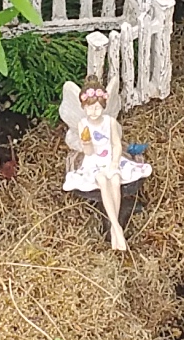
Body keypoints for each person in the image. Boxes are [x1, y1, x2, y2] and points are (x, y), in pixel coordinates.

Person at [59, 80, 150, 252]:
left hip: (110, 157)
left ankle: (115, 229)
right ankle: (117, 228)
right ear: (84, 108)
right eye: (89, 108)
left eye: (97, 108)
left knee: (115, 179)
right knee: (101, 179)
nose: (93, 112)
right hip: (93, 161)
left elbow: (116, 144)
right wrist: (86, 143)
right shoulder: (83, 124)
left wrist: (115, 162)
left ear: (103, 106)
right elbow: (88, 152)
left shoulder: (109, 122)